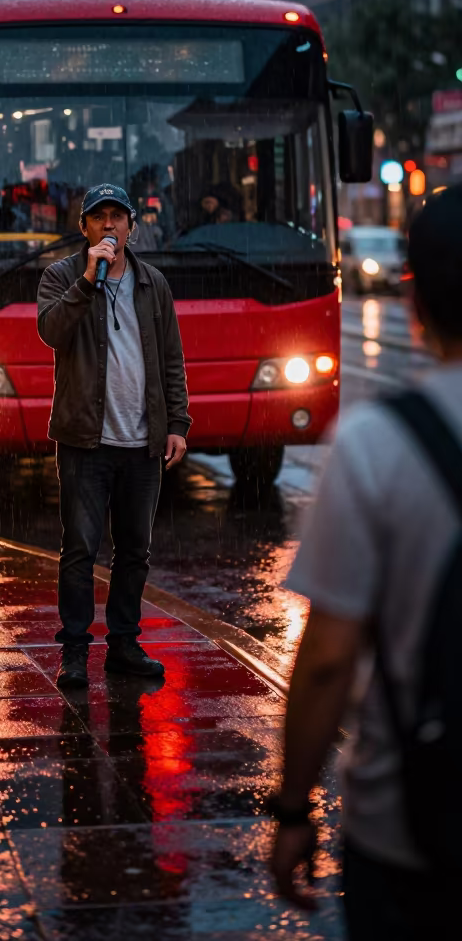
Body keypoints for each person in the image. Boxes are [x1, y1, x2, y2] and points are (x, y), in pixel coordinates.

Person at [270, 185, 462, 938]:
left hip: (409, 820)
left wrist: (294, 810)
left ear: (415, 304)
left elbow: (328, 659)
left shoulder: (376, 443)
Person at [37, 183, 191, 688]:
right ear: (83, 227)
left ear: (131, 227)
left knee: (134, 552)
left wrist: (177, 424)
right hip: (85, 441)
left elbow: (171, 358)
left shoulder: (153, 283)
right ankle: (74, 652)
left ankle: (123, 644)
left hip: (142, 444)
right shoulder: (61, 276)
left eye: (117, 217)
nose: (109, 225)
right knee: (79, 550)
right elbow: (51, 332)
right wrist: (87, 280)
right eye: (99, 217)